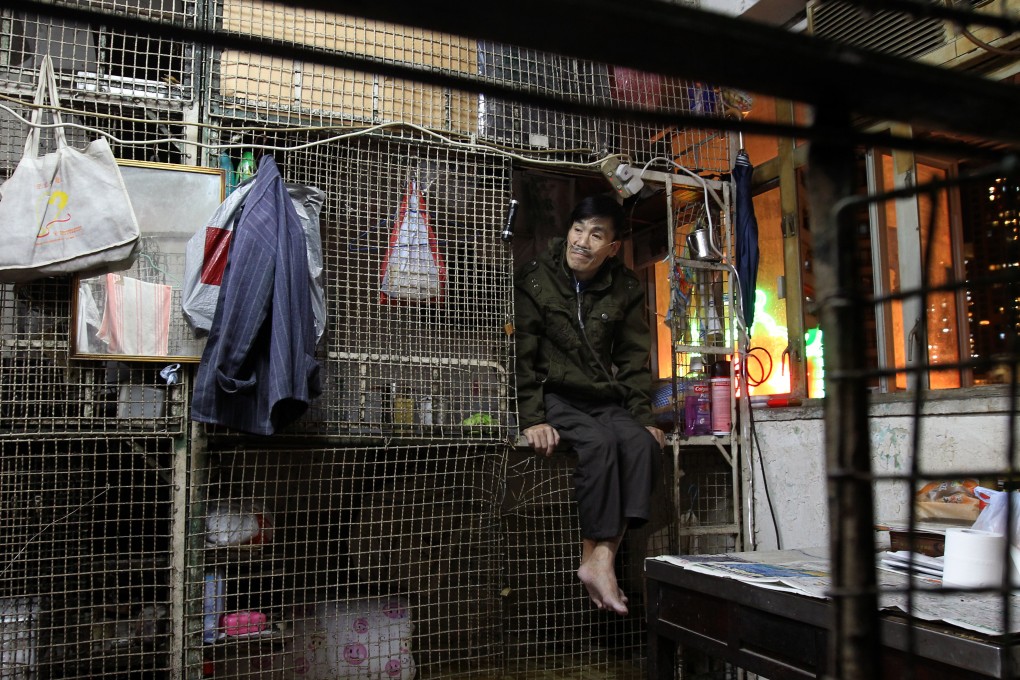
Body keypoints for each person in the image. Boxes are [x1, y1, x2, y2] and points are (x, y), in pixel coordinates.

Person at [513, 193, 666, 616]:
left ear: (612, 247)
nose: (582, 241)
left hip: (600, 397)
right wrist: (532, 418)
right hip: (554, 394)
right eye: (578, 229)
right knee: (599, 444)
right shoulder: (536, 278)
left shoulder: (625, 286)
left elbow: (632, 360)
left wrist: (643, 418)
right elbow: (521, 355)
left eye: (596, 235)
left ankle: (601, 559)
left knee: (642, 445)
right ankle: (597, 562)